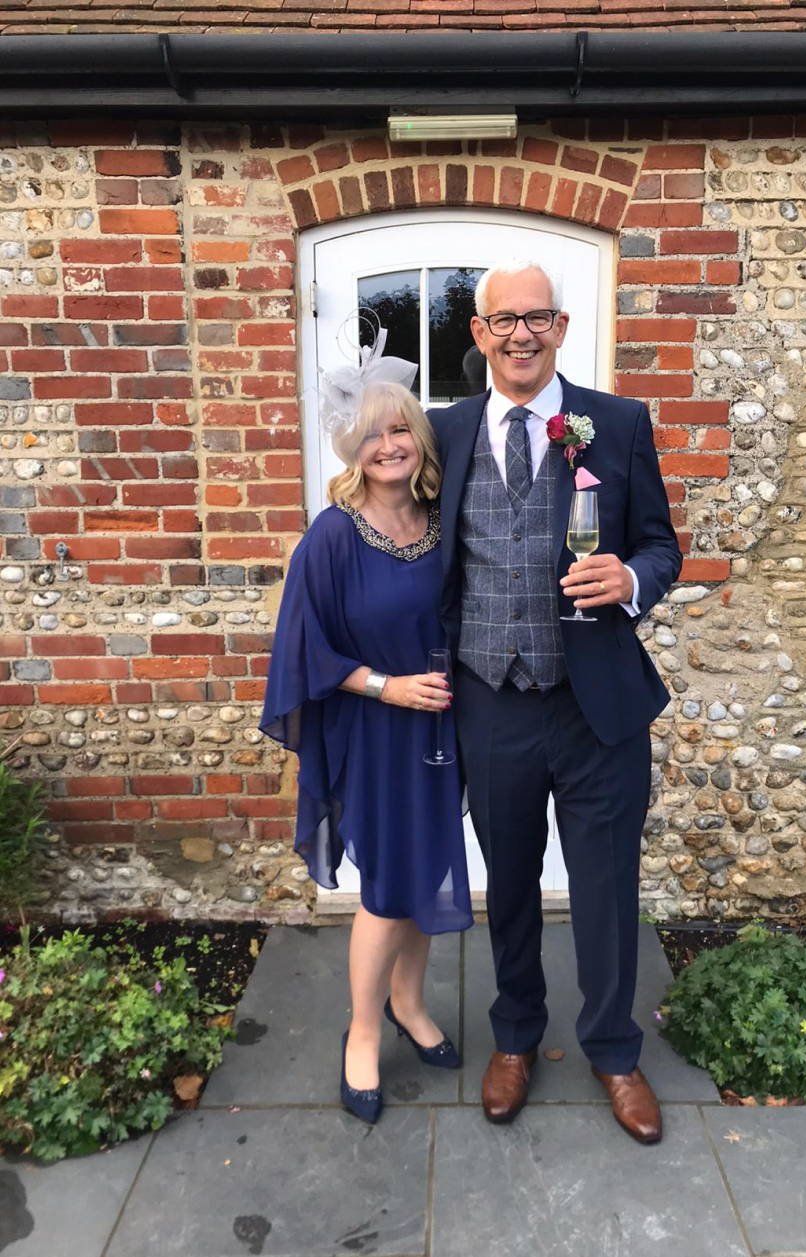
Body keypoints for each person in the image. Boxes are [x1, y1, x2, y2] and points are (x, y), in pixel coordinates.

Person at [429, 262, 682, 1144]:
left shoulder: (613, 423)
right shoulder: (443, 431)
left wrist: (633, 578)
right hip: (490, 698)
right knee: (512, 886)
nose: (520, 334)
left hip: (595, 705)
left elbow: (661, 545)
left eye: (537, 317)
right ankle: (515, 1036)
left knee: (608, 885)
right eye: (504, 320)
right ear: (479, 329)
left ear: (563, 326)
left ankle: (615, 1049)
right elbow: (402, 540)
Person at [260, 358, 473, 1127]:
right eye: (372, 434)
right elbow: (302, 649)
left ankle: (411, 1003)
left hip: (439, 729)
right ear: (351, 449)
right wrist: (389, 686)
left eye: (401, 429)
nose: (389, 445)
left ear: (419, 437)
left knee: (424, 870)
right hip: (378, 728)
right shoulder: (332, 536)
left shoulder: (436, 520)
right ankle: (363, 1028)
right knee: (386, 888)